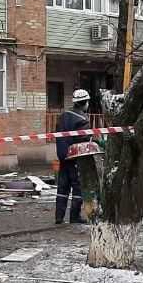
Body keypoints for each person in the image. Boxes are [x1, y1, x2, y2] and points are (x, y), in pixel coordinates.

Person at [53, 89, 92, 224]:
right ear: (85, 103)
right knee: (77, 187)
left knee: (62, 188)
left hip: (62, 157)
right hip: (76, 158)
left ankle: (59, 217)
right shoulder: (82, 119)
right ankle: (74, 217)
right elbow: (85, 139)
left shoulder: (63, 116)